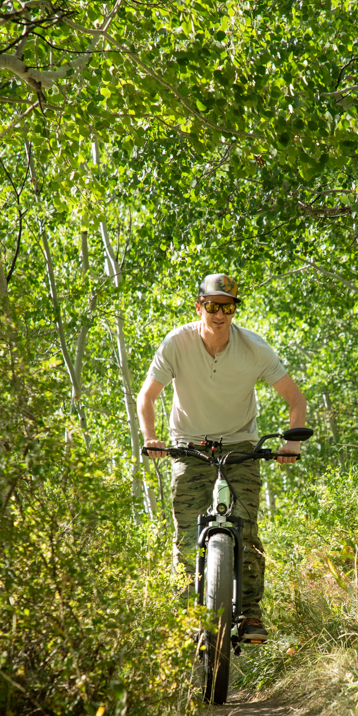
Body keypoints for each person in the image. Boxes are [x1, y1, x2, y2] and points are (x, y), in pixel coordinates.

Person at [136, 273, 306, 643]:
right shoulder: (176, 343)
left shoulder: (254, 349)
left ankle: (249, 615)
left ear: (234, 310)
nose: (219, 314)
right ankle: (187, 620)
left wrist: (291, 443)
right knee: (184, 538)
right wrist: (151, 438)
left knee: (247, 530)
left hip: (240, 447)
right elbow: (147, 396)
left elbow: (296, 400)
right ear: (199, 307)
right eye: (212, 306)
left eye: (226, 307)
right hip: (188, 446)